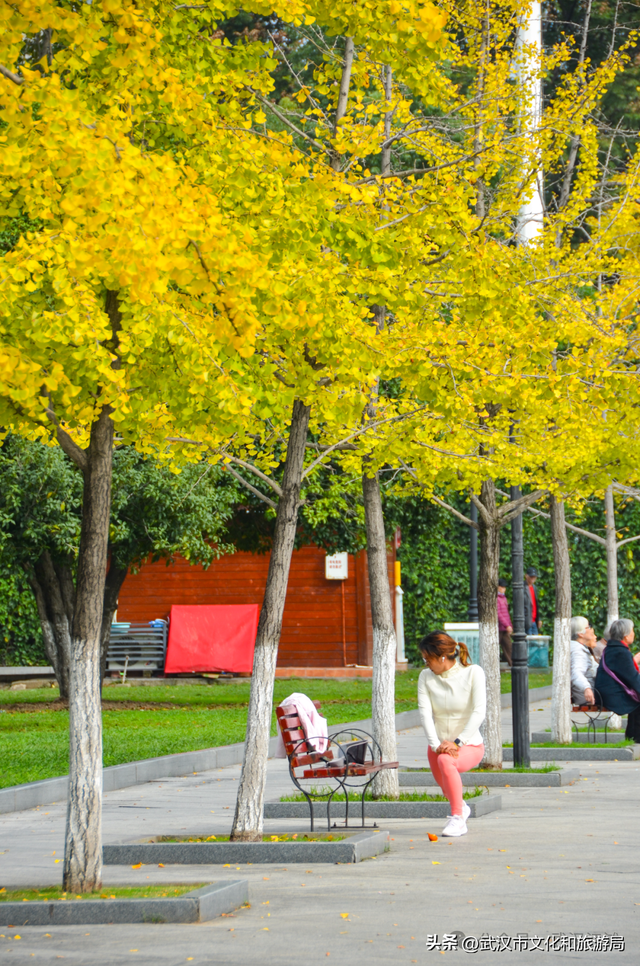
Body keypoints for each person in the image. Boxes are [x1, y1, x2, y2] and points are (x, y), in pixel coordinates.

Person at [417, 630, 486, 838]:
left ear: (442, 657)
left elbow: (479, 711)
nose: (425, 663)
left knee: (447, 762)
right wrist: (435, 744)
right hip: (438, 746)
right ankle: (461, 807)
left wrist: (457, 742)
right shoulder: (425, 677)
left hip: (469, 745)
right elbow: (425, 714)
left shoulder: (473, 673)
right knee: (447, 788)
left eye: (428, 659)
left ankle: (458, 819)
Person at [594, 618, 640, 742]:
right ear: (625, 635)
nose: (634, 634)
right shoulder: (620, 651)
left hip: (608, 691)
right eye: (632, 631)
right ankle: (635, 738)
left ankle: (633, 737)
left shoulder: (613, 648)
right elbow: (633, 678)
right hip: (611, 694)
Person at [570, 616, 598, 705]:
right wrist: (587, 688)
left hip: (593, 692)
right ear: (580, 634)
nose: (591, 629)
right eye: (588, 627)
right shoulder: (577, 650)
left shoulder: (579, 648)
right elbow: (576, 673)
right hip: (590, 695)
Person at [497, 578, 513, 666]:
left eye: (504, 587)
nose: (503, 589)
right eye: (501, 587)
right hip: (500, 627)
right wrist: (507, 625)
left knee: (509, 646)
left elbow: (506, 613)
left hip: (504, 628)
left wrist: (509, 625)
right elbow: (498, 614)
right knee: (496, 647)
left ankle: (512, 664)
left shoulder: (503, 598)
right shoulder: (497, 599)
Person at [524, 567, 541, 635]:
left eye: (534, 577)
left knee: (535, 643)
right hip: (527, 620)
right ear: (526, 576)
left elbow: (536, 604)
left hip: (534, 621)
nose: (533, 579)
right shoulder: (522, 587)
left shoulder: (534, 587)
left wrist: (538, 619)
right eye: (531, 577)